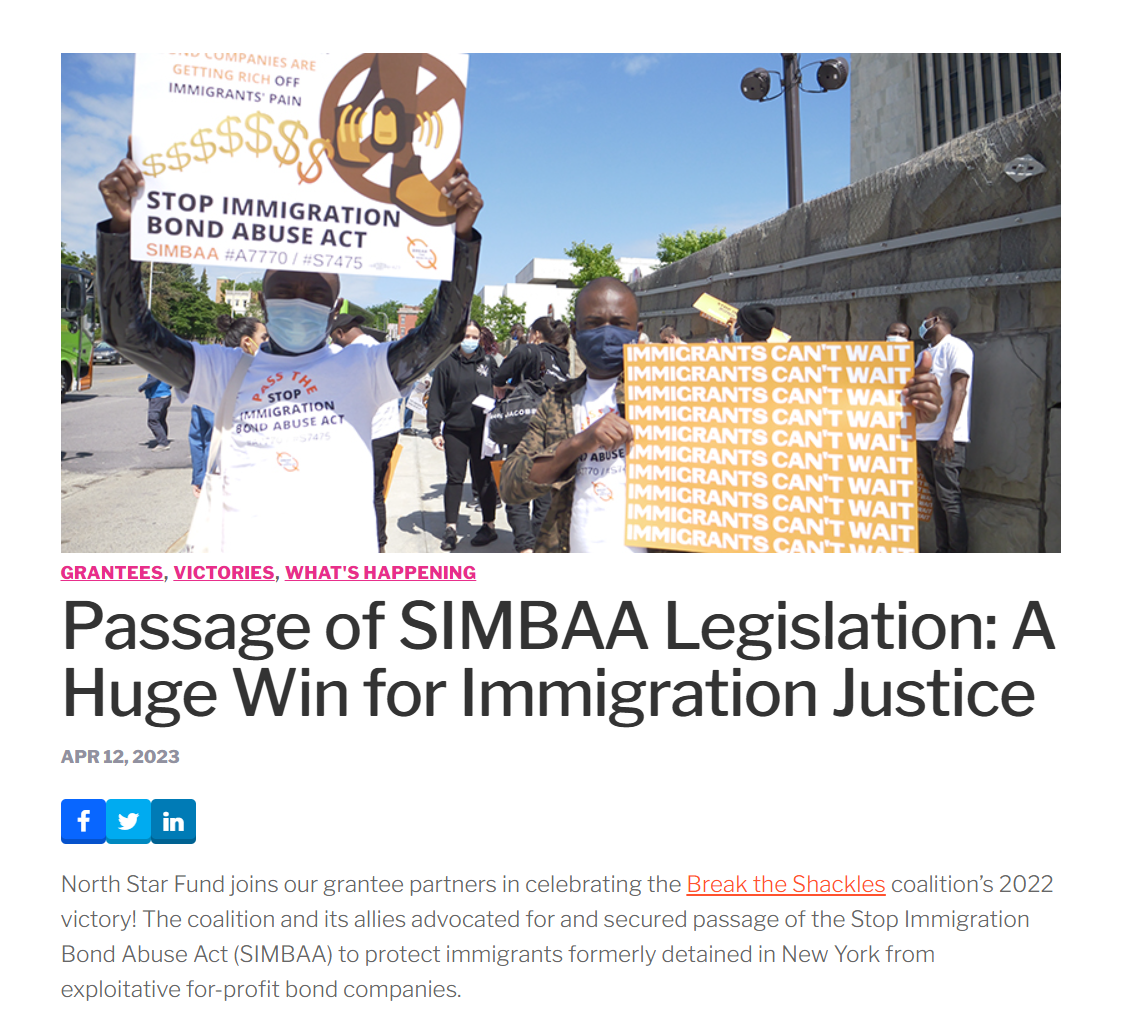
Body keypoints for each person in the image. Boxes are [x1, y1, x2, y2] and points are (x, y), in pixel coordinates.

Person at [97, 144, 482, 554]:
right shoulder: (222, 369)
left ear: (334, 311)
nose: (299, 301)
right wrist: (122, 231)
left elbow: (442, 333)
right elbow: (130, 335)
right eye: (284, 290)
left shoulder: (365, 367)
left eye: (314, 293)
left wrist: (459, 239)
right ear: (263, 302)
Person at [502, 277, 947, 553]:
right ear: (575, 331)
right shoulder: (557, 401)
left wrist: (900, 409)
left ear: (638, 331)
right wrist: (582, 442)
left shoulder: (684, 383)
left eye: (617, 322)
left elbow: (799, 421)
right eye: (593, 323)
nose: (606, 332)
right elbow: (513, 485)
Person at [492, 317, 571, 552]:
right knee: (544, 487)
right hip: (555, 427)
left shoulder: (527, 350)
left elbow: (498, 377)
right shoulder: (562, 359)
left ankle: (525, 546)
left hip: (525, 426)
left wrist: (508, 387)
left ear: (535, 334)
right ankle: (538, 544)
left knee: (517, 486)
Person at [329, 309, 399, 553]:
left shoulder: (352, 354)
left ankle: (374, 545)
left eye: (334, 338)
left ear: (340, 333)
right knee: (376, 492)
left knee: (366, 494)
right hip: (388, 430)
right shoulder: (381, 348)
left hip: (371, 433)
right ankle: (377, 544)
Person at [427, 321, 500, 550]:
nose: (470, 340)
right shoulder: (446, 364)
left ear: (480, 339)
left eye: (474, 336)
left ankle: (489, 526)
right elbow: (437, 398)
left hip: (482, 432)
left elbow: (501, 390)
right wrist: (434, 430)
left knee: (484, 479)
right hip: (455, 431)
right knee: (455, 479)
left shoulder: (488, 363)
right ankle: (451, 528)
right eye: (466, 335)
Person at [915, 307, 973, 553]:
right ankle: (943, 551)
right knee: (936, 497)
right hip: (924, 438)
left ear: (935, 320)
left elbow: (960, 388)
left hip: (945, 438)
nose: (923, 323)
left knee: (949, 499)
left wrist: (948, 432)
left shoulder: (956, 348)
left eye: (926, 318)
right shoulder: (925, 354)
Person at [189, 315, 267, 496]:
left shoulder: (211, 377)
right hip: (231, 477)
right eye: (264, 337)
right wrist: (200, 477)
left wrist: (199, 477)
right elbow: (200, 434)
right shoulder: (225, 378)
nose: (269, 341)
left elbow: (198, 435)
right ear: (248, 342)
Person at [138, 373, 172, 450]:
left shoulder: (154, 367)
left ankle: (163, 443)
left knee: (152, 420)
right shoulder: (164, 367)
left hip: (158, 396)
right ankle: (163, 438)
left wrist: (142, 387)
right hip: (166, 395)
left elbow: (153, 380)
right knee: (160, 419)